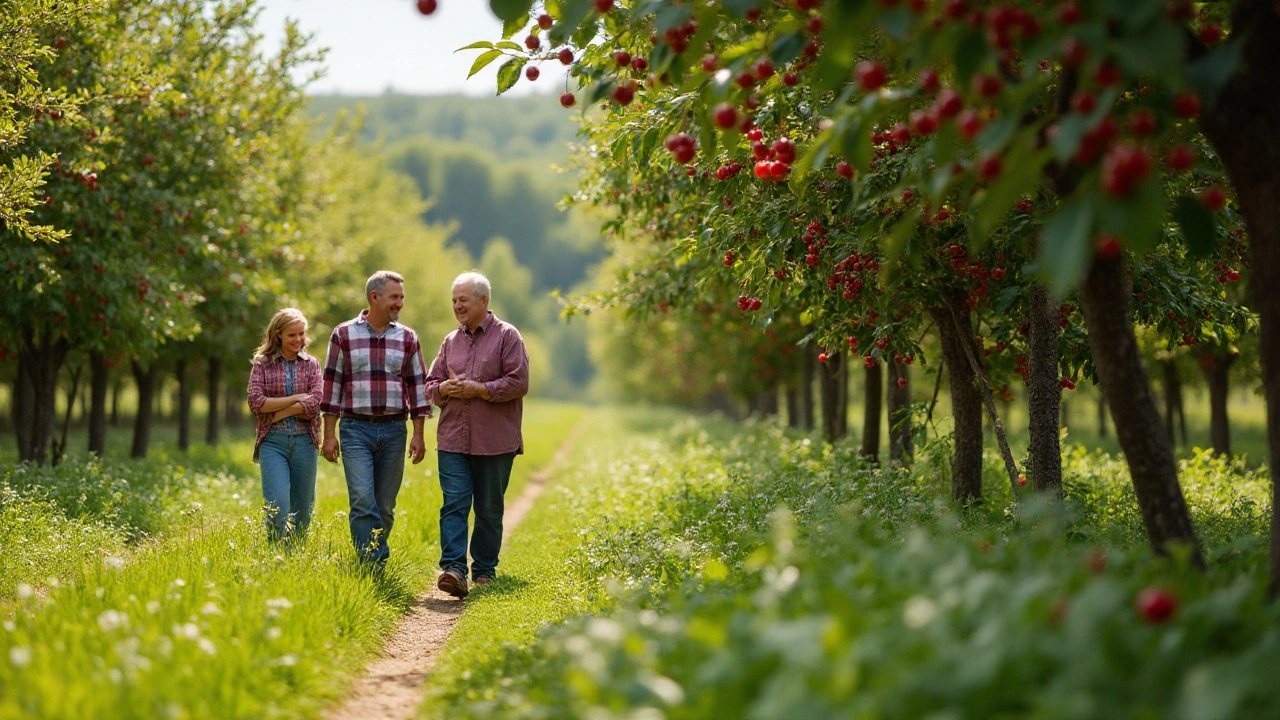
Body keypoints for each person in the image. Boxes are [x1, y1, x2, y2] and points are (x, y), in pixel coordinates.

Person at [426, 271, 530, 598]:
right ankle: (454, 569)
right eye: (454, 300)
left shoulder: (508, 337)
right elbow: (430, 385)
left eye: (463, 300)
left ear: (483, 301)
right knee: (454, 504)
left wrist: (481, 390)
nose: (457, 306)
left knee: (488, 508)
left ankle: (484, 569)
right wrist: (444, 387)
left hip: (495, 441)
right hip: (453, 440)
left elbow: (519, 382)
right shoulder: (450, 341)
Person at [321, 270, 431, 565]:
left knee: (384, 506)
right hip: (355, 429)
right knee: (361, 500)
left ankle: (371, 559)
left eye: (401, 297)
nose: (400, 303)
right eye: (395, 297)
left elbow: (417, 387)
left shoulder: (408, 337)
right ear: (374, 297)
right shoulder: (343, 334)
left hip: (395, 431)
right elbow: (331, 385)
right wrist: (328, 434)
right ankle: (373, 564)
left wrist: (419, 434)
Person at [246, 308, 323, 541]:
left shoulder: (311, 365)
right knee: (277, 506)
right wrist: (296, 398)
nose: (298, 339)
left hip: (305, 442)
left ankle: (296, 554)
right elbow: (256, 402)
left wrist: (280, 412)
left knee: (302, 509)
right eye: (292, 335)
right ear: (278, 334)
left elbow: (317, 401)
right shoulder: (262, 364)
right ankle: (275, 551)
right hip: (273, 443)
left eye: (301, 334)